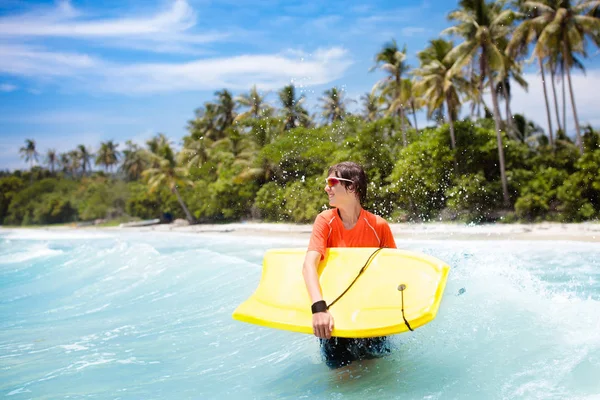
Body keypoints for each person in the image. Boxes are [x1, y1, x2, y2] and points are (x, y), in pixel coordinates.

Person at [302, 161, 397, 369]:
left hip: (371, 315)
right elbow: (309, 266)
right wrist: (319, 309)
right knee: (343, 379)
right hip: (333, 317)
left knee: (378, 376)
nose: (326, 187)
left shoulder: (378, 226)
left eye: (332, 181)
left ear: (352, 186)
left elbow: (392, 271)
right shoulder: (324, 221)